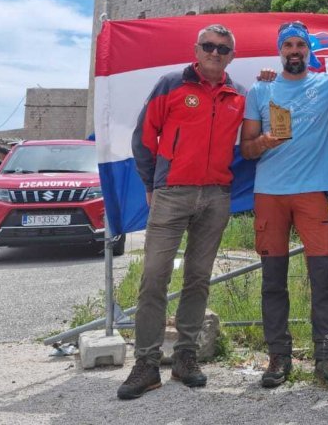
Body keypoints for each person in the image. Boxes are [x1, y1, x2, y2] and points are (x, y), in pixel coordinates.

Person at [118, 23, 245, 400]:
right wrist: (150, 184)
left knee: (198, 278)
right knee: (154, 277)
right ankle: (146, 363)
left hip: (217, 195)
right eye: (209, 46)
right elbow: (144, 137)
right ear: (197, 48)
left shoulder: (238, 94)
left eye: (223, 49)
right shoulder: (170, 84)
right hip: (172, 193)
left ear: (231, 56)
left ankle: (186, 357)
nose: (215, 53)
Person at [240, 21, 328, 389]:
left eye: (300, 44)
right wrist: (264, 143)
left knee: (324, 279)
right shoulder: (261, 88)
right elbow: (246, 148)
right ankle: (278, 358)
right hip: (269, 193)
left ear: (309, 50)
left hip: (312, 194)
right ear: (280, 50)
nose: (294, 50)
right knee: (273, 281)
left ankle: (327, 359)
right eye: (287, 44)